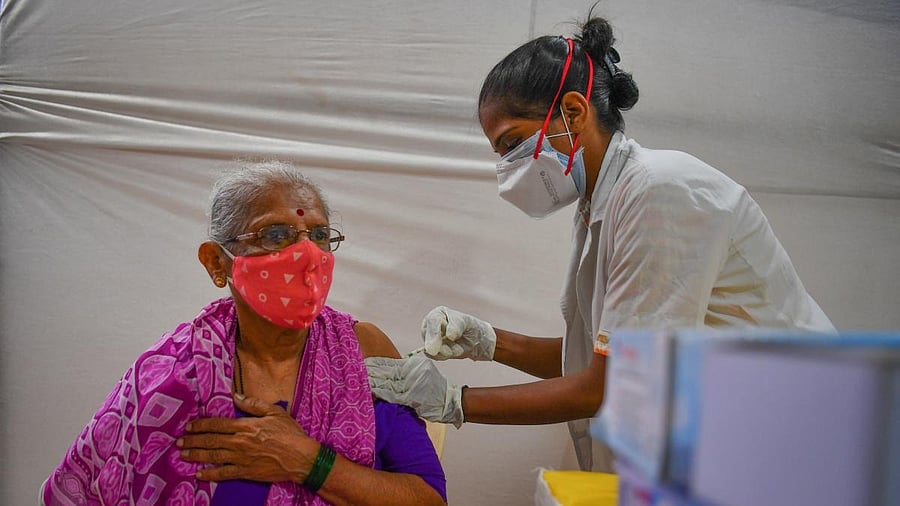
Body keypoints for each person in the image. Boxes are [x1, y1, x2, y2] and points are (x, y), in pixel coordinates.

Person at [366, 11, 836, 472]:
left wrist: (454, 401)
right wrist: (488, 341)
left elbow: (610, 383)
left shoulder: (659, 192)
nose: (508, 167)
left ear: (573, 111)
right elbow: (592, 358)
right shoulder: (601, 205)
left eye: (513, 143)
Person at [42, 161, 447, 505]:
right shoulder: (172, 375)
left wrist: (309, 462)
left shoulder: (363, 349)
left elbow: (428, 498)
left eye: (320, 235)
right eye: (276, 235)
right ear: (217, 262)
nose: (307, 254)